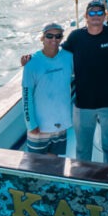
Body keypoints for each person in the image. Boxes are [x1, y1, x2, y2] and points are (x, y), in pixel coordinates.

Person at [61, 0, 108, 163]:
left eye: (100, 12)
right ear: (86, 16)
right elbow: (56, 53)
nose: (96, 15)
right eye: (92, 12)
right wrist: (32, 59)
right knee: (82, 149)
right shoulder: (76, 37)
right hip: (83, 105)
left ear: (105, 15)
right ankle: (82, 179)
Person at [21, 23, 74, 155]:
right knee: (35, 167)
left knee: (55, 164)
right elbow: (26, 96)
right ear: (42, 38)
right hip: (39, 127)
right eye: (49, 36)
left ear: (62, 38)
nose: (54, 39)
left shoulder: (69, 57)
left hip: (61, 124)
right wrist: (31, 124)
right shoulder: (31, 62)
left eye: (58, 36)